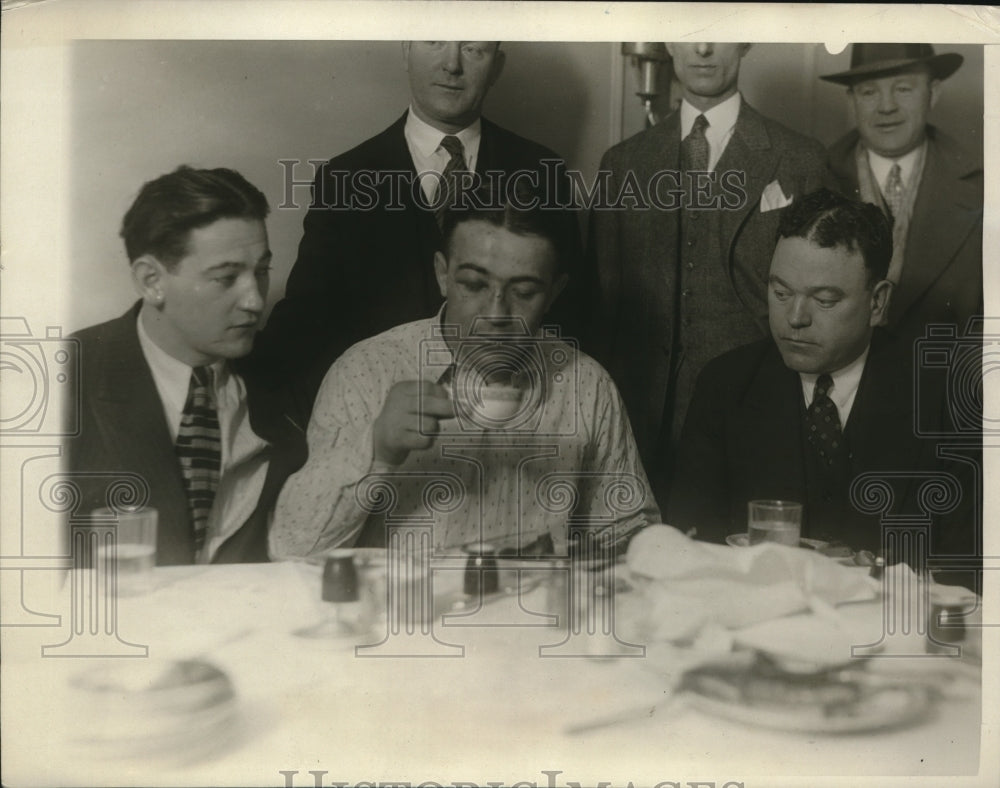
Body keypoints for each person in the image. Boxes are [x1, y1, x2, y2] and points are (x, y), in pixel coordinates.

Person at [270, 192, 658, 559]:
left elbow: (629, 535)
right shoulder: (367, 371)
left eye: (523, 292)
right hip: (406, 621)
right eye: (473, 285)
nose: (496, 314)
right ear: (442, 274)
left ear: (554, 293)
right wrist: (379, 450)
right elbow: (293, 553)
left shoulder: (586, 385)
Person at [252, 41, 581, 423]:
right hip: (382, 422)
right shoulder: (347, 177)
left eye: (473, 49)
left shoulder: (543, 170)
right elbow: (305, 321)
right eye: (435, 43)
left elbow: (572, 314)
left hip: (510, 416)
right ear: (406, 50)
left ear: (498, 66)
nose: (452, 64)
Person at [668, 189, 977, 574]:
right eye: (780, 292)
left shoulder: (945, 398)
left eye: (825, 300)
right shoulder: (725, 385)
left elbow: (967, 576)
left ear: (877, 303)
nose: (794, 317)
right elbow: (689, 554)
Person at [587, 42, 828, 510]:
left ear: (746, 41)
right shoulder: (623, 163)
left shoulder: (800, 158)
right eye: (687, 31)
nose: (701, 47)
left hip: (753, 413)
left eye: (718, 31)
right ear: (668, 42)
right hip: (638, 422)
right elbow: (603, 310)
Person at [68, 166, 306, 565]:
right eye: (226, 278)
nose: (254, 300)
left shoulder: (289, 379)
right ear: (151, 281)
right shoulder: (62, 379)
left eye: (261, 272)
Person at [823, 43, 983, 345]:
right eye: (869, 92)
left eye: (903, 89)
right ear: (851, 100)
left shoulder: (986, 188)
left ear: (933, 93)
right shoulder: (814, 179)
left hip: (942, 382)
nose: (886, 107)